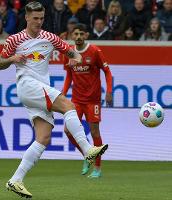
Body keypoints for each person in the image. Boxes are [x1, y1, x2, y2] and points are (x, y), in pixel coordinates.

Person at [0, 2, 108, 198]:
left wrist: (75, 58)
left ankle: (15, 180)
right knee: (68, 105)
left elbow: (72, 52)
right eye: (35, 18)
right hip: (27, 84)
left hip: (38, 89)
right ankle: (88, 149)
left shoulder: (50, 37)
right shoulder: (14, 40)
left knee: (44, 137)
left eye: (41, 18)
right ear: (27, 18)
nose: (39, 22)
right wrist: (13, 59)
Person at [62, 23, 113, 178]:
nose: (78, 37)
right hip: (76, 100)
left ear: (86, 35)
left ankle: (97, 169)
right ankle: (87, 154)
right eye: (75, 34)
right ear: (72, 36)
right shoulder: (69, 53)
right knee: (67, 130)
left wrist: (109, 91)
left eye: (81, 34)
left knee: (94, 131)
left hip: (93, 100)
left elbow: (107, 72)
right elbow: (69, 75)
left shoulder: (95, 51)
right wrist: (63, 94)